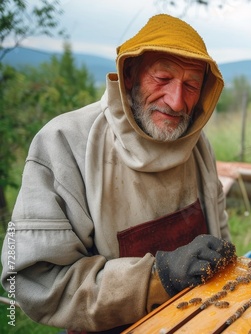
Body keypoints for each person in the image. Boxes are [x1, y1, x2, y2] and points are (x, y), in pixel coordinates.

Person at [0, 14, 236, 332]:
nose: (177, 101)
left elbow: (219, 230)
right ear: (128, 75)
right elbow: (39, 285)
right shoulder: (63, 143)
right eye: (163, 78)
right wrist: (158, 275)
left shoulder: (197, 144)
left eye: (191, 85)